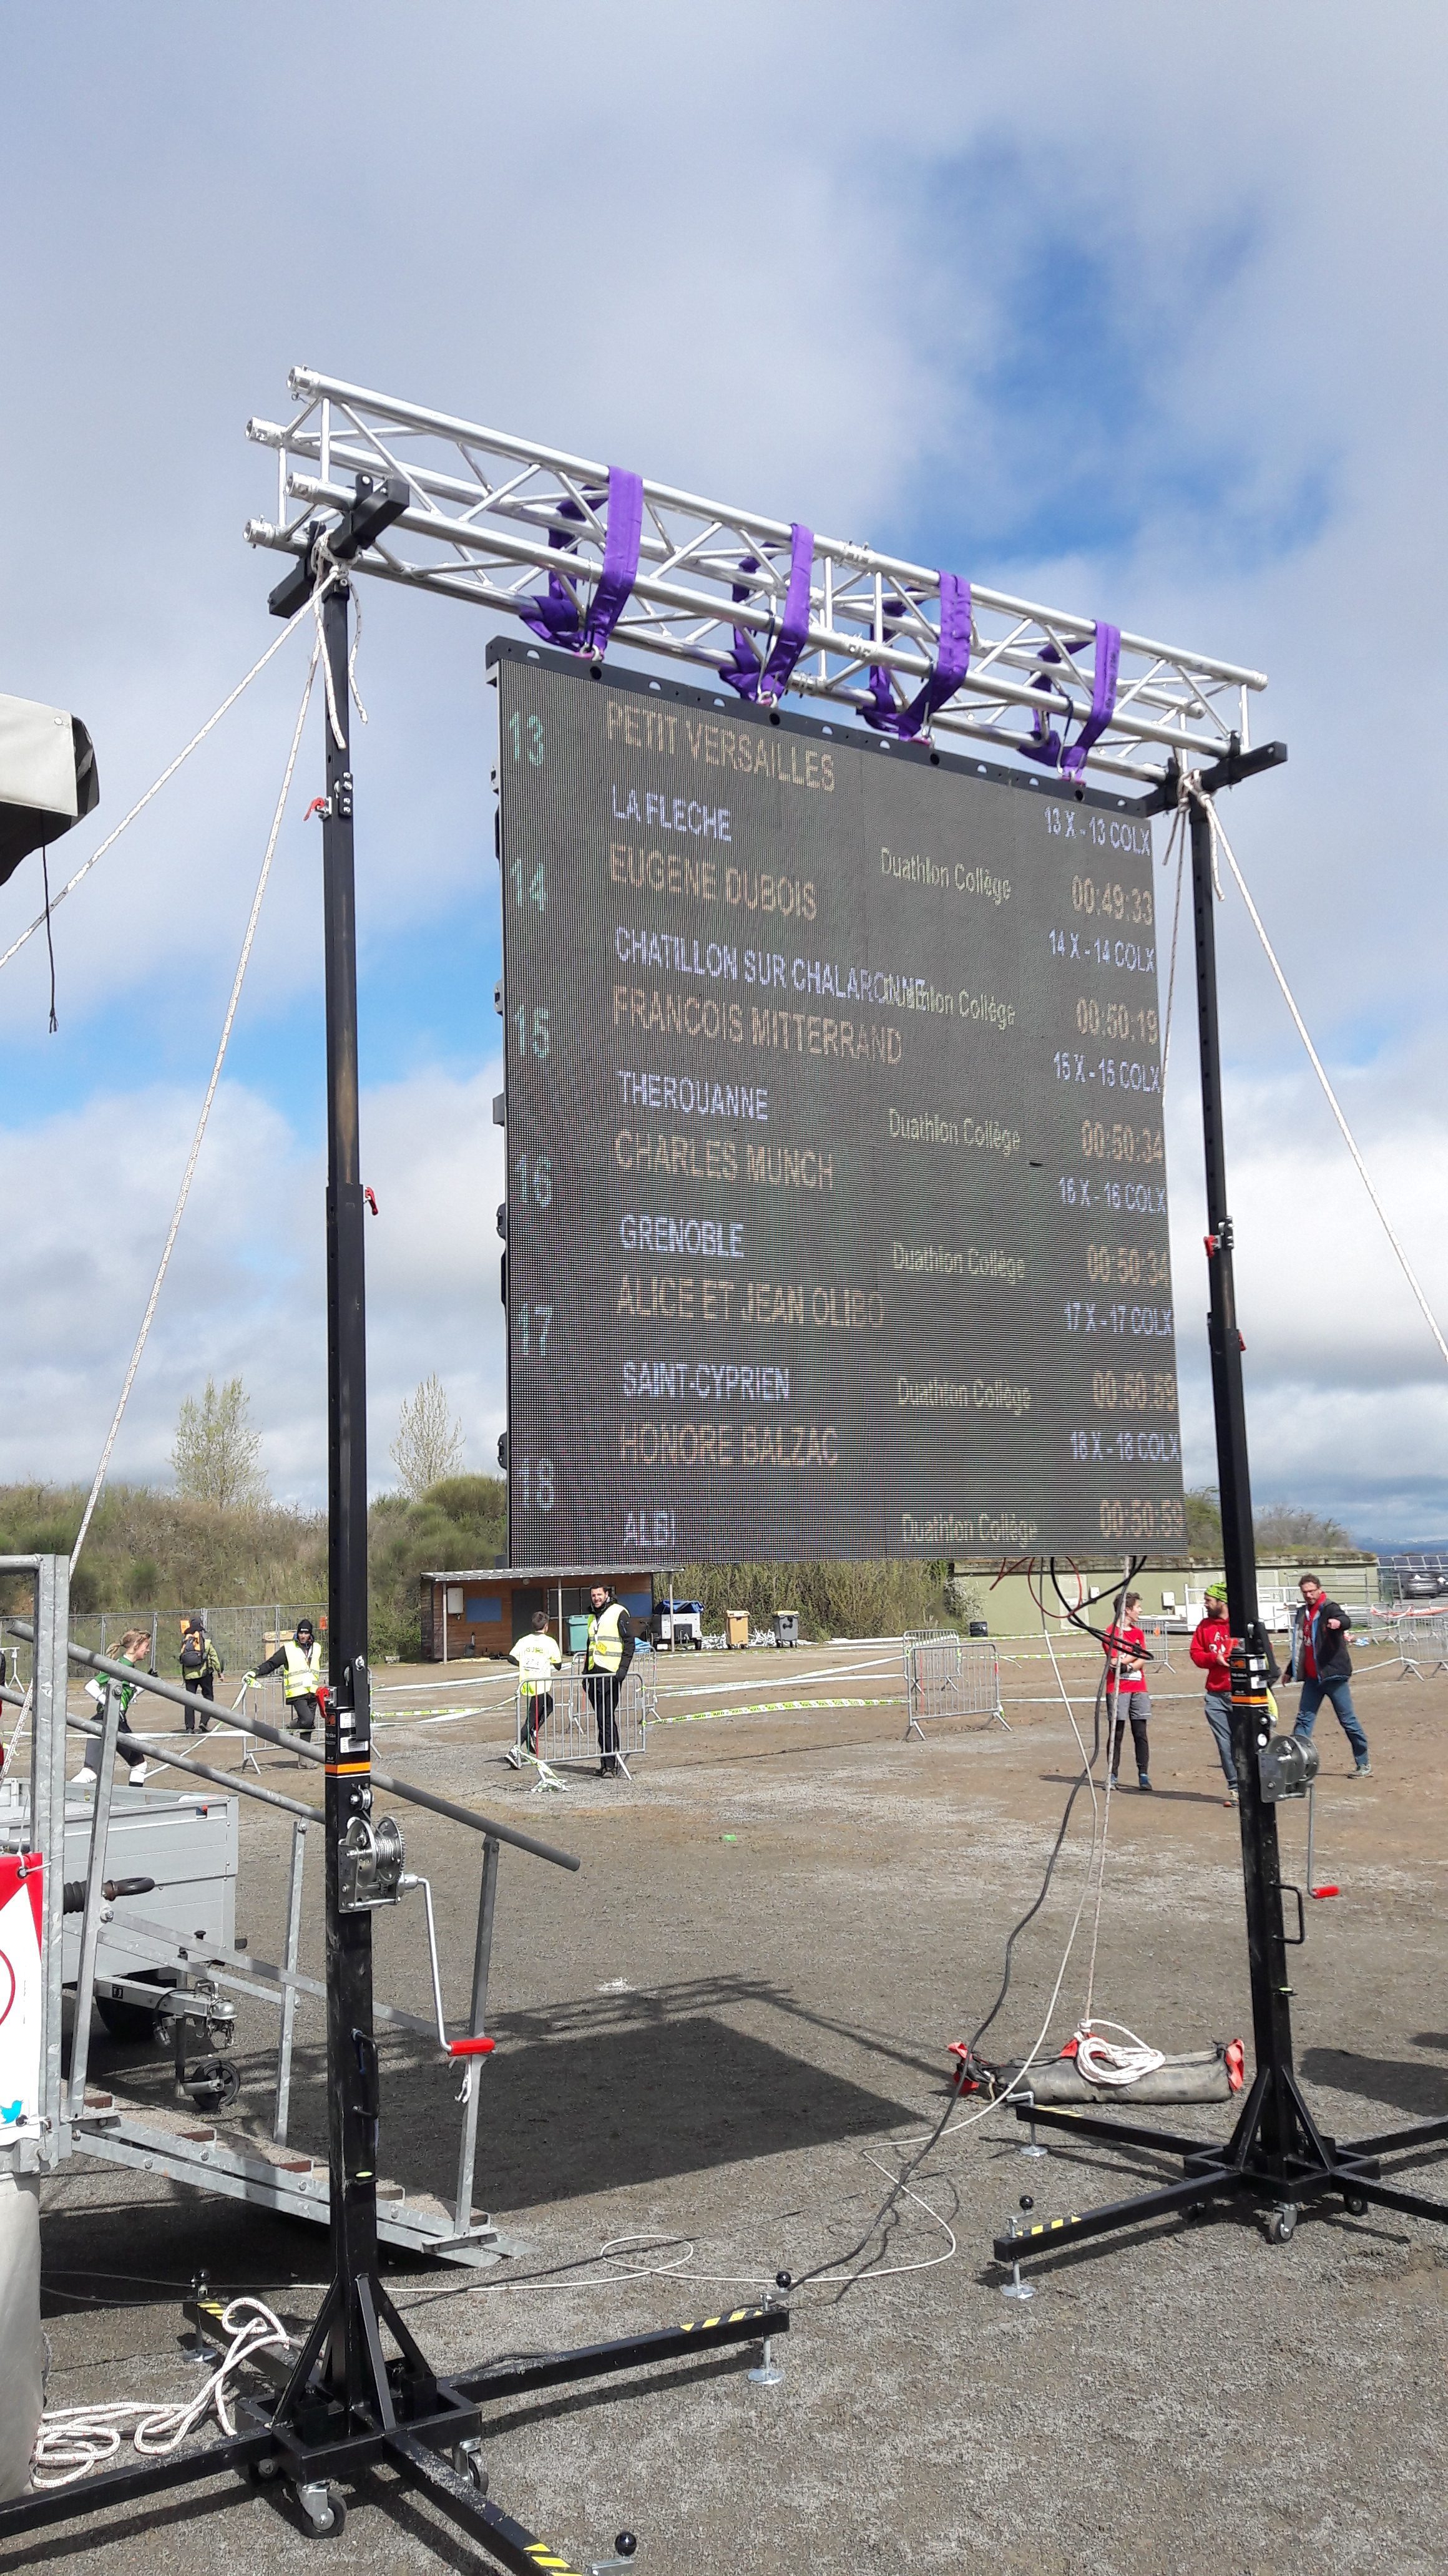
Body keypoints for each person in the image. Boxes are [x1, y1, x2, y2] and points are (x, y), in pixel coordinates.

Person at [1285, 1575, 1371, 1776]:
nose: (1308, 1595)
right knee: (1304, 1720)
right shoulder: (1302, 1614)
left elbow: (1345, 1620)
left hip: (1333, 1676)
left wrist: (1337, 1623)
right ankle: (1298, 1764)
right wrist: (1291, 1670)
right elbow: (1302, 1646)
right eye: (1305, 1592)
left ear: (1319, 1589)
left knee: (1348, 1721)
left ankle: (1363, 1763)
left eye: (1312, 1591)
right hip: (1312, 1679)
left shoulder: (1330, 1608)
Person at [80, 1627, 151, 1786]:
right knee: (91, 1772)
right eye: (145, 1645)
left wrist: (148, 1684)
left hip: (116, 1721)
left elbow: (127, 1697)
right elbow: (91, 1686)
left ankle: (134, 1803)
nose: (148, 1650)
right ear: (136, 1646)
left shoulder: (130, 1669)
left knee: (138, 1765)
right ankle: (62, 1799)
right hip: (106, 1720)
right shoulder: (120, 1666)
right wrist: (110, 1704)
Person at [1189, 1584, 1238, 1803]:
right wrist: (1214, 1659)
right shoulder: (1205, 1626)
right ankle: (1235, 1788)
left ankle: (1255, 1786)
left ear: (1221, 1602)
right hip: (1215, 1695)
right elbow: (1196, 1653)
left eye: (1209, 1600)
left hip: (1242, 1694)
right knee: (1224, 1743)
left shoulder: (1239, 1622)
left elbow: (1264, 1651)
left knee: (1246, 1742)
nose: (1205, 1604)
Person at [582, 1582, 635, 1778]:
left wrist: (623, 1669)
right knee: (602, 1720)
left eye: (599, 1594)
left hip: (610, 1674)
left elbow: (630, 1642)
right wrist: (584, 1675)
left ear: (607, 1594)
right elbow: (590, 1646)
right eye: (593, 1595)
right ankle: (607, 1763)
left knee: (605, 1719)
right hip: (593, 1674)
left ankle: (611, 1766)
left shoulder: (618, 1612)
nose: (596, 1598)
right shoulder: (592, 1617)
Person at [1103, 1590, 1153, 1790]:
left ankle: (1143, 1774)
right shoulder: (1110, 1633)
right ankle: (1112, 1775)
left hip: (1139, 1687)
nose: (1140, 1611)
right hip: (1118, 1689)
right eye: (1137, 1607)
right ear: (1127, 1610)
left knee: (1140, 1733)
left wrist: (1130, 1664)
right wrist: (1134, 1652)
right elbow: (1114, 1662)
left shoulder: (1139, 1633)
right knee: (1117, 1733)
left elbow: (1144, 1658)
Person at [248, 1617, 323, 1742]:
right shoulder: (288, 1649)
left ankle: (304, 1761)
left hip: (313, 1691)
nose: (303, 1636)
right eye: (301, 1633)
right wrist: (256, 1671)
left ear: (311, 1634)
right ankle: (290, 1728)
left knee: (308, 1727)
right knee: (306, 1720)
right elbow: (272, 1664)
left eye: (306, 1633)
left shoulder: (317, 1648)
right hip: (297, 1692)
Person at [509, 1608, 563, 1758]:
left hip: (527, 1682)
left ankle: (533, 1730)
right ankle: (515, 1749)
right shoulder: (550, 1642)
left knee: (549, 1704)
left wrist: (524, 1664)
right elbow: (558, 1664)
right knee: (531, 1718)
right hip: (540, 1683)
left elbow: (511, 1657)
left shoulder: (524, 1640)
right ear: (546, 1626)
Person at [179, 1616, 223, 1734]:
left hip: (189, 1676)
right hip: (204, 1674)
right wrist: (220, 1672)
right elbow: (215, 1657)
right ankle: (204, 1722)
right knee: (208, 1698)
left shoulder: (185, 1639)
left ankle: (189, 1727)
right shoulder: (206, 1640)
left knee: (189, 1701)